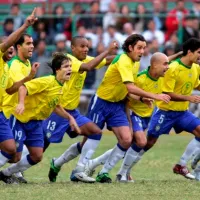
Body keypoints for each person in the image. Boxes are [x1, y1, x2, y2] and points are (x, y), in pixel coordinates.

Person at [76, 34, 170, 183]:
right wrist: (154, 96)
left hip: (117, 104)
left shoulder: (135, 62)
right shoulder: (123, 60)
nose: (142, 51)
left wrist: (141, 98)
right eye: (139, 47)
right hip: (102, 101)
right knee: (91, 136)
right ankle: (78, 168)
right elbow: (130, 87)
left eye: (144, 48)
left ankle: (104, 172)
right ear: (130, 47)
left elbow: (129, 91)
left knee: (126, 140)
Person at [106, 37, 200, 181]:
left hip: (182, 112)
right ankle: (124, 171)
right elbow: (166, 92)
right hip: (165, 112)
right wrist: (188, 98)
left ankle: (182, 164)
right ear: (189, 52)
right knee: (146, 142)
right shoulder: (172, 68)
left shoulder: (195, 68)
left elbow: (195, 84)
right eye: (199, 52)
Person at [44, 36, 118, 183]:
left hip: (72, 111)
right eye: (82, 46)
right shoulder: (70, 60)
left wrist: (124, 57)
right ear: (73, 48)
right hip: (56, 110)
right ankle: (15, 170)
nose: (85, 49)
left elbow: (106, 60)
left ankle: (78, 169)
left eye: (87, 47)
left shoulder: (85, 59)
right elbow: (89, 67)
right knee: (40, 146)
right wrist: (106, 51)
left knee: (95, 131)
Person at [0, 53, 80, 184]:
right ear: (57, 69)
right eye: (66, 66)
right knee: (14, 156)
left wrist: (70, 117)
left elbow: (56, 106)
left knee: (37, 156)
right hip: (21, 120)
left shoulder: (62, 86)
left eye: (71, 66)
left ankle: (5, 173)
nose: (70, 69)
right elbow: (23, 87)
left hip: (36, 123)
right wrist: (20, 103)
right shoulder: (47, 81)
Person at [0, 8, 38, 177]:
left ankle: (13, 174)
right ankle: (14, 174)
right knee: (13, 152)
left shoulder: (8, 68)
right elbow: (7, 43)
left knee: (12, 151)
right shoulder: (8, 62)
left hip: (3, 112)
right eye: (8, 47)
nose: (10, 51)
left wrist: (28, 78)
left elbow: (10, 88)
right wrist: (25, 25)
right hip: (10, 112)